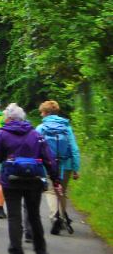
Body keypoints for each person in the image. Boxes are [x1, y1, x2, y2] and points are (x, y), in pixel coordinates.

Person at [0, 103, 61, 254]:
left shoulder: (2, 135)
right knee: (34, 215)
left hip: (11, 180)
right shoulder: (35, 134)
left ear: (9, 118)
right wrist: (55, 179)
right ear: (23, 118)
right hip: (34, 180)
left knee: (14, 217)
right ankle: (41, 251)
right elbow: (48, 158)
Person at [36, 101, 81, 236]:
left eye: (42, 112)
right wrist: (75, 168)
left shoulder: (41, 128)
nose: (41, 114)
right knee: (62, 191)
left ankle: (55, 217)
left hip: (48, 165)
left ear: (46, 113)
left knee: (50, 191)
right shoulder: (67, 128)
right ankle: (61, 218)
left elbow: (35, 147)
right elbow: (74, 149)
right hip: (65, 164)